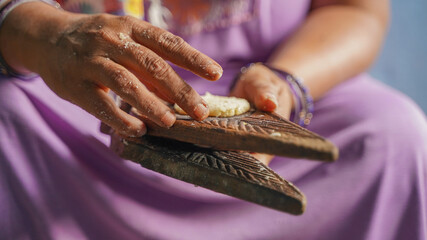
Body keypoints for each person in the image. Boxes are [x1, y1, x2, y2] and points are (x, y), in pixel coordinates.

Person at [0, 0, 426, 239]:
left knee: (393, 133)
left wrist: (285, 83)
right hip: (77, 108)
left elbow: (357, 8)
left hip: (273, 89)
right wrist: (46, 35)